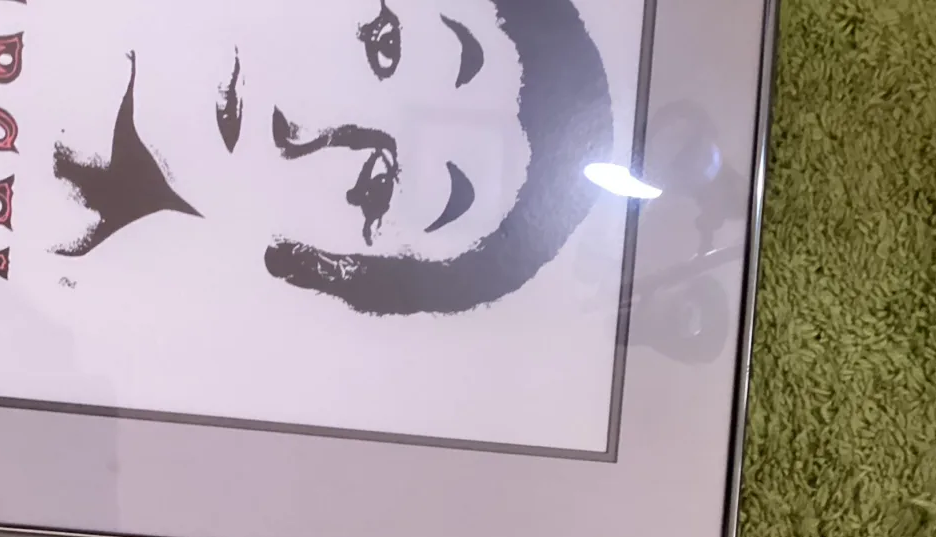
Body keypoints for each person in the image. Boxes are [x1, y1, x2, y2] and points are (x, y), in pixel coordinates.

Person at [34, 0, 615, 316]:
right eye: (383, 43)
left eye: (377, 187)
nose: (300, 125)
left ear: (314, 261)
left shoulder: (52, 281)